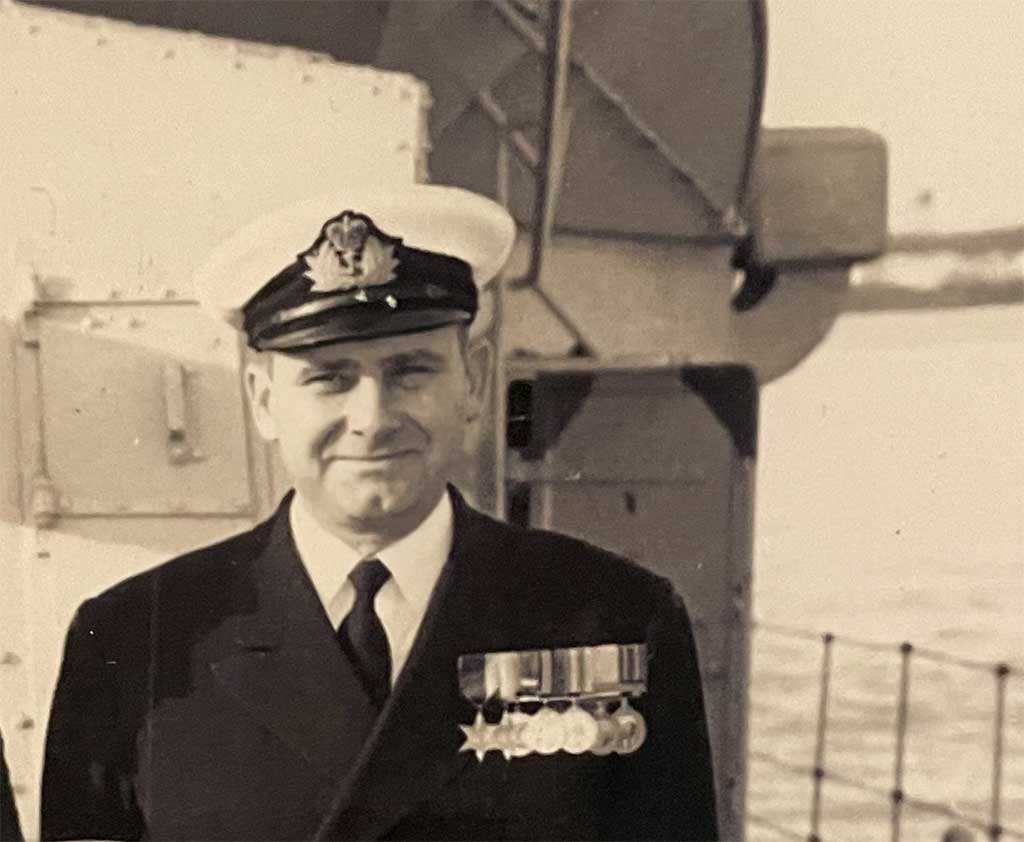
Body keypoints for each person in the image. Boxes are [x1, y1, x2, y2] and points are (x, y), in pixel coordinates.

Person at [40, 184, 718, 841]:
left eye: (411, 371)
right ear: (263, 400)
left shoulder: (616, 618)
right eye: (328, 378)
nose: (372, 419)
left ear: (475, 381)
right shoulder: (134, 643)